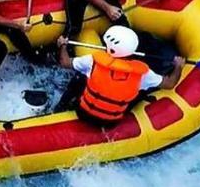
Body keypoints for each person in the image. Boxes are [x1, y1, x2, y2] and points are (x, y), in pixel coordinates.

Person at [56, 26, 184, 125]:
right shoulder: (143, 74)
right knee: (142, 90)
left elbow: (65, 62)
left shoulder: (92, 60)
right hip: (111, 122)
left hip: (83, 113)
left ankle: (60, 108)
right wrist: (178, 66)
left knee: (80, 76)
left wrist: (62, 46)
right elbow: (170, 83)